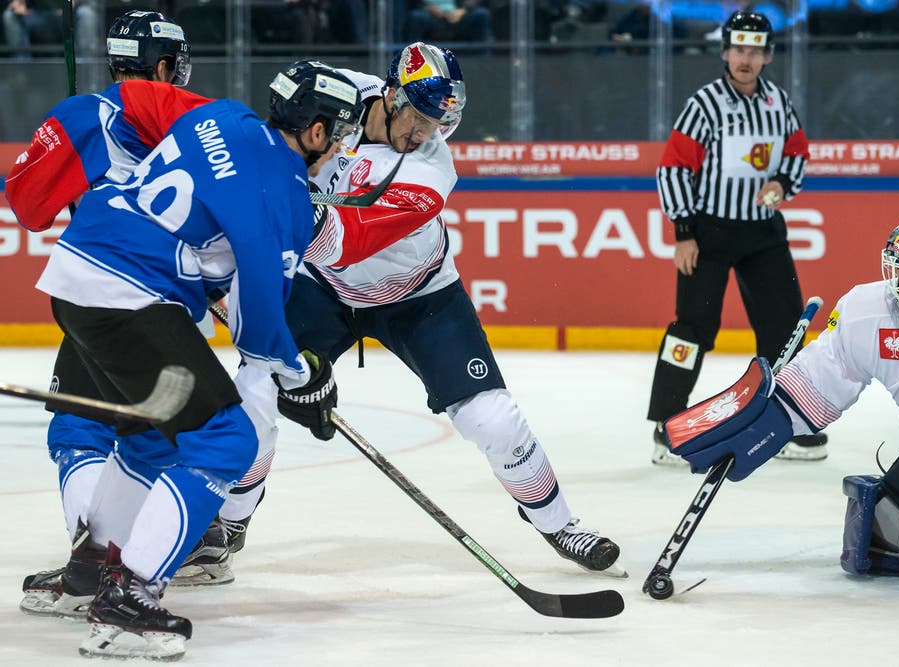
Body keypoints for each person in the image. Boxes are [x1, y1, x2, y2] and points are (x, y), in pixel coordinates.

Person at [227, 41, 625, 578]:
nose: (424, 134)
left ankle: (559, 523)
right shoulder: (341, 93)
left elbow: (343, 242)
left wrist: (272, 203)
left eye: (438, 124)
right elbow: (283, 108)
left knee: (494, 419)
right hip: (325, 289)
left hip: (419, 295)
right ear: (390, 96)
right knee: (256, 390)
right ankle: (227, 524)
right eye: (417, 117)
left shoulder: (430, 173)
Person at [25, 60, 366, 659]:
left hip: (79, 277)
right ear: (314, 132)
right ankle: (130, 602)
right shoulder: (282, 191)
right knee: (227, 442)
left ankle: (87, 575)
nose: (340, 149)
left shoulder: (221, 115)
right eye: (337, 135)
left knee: (151, 440)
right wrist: (302, 375)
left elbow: (207, 231)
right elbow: (260, 327)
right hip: (129, 296)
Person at [7, 9, 218, 619]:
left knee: (84, 432)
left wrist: (70, 156)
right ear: (161, 66)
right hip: (182, 301)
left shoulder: (89, 117)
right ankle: (122, 562)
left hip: (108, 300)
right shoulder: (200, 124)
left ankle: (112, 569)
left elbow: (27, 208)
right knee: (160, 439)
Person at [665, 205, 899, 587]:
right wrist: (758, 425)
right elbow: (815, 382)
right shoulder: (868, 313)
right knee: (876, 538)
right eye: (897, 269)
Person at [646, 9, 825, 467]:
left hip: (762, 231)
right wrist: (683, 231)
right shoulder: (704, 104)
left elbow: (797, 153)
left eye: (755, 50)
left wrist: (782, 185)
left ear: (767, 55)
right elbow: (673, 167)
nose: (746, 58)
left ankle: (790, 420)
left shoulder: (777, 102)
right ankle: (668, 424)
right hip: (708, 232)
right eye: (738, 49)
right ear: (726, 51)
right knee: (692, 329)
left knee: (785, 328)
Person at [404, 0, 492, 43]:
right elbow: (414, 3)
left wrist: (463, 10)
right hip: (431, 17)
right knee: (416, 16)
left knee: (482, 14)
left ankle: (485, 59)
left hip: (458, 17)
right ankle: (413, 63)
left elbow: (471, 3)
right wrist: (429, 9)